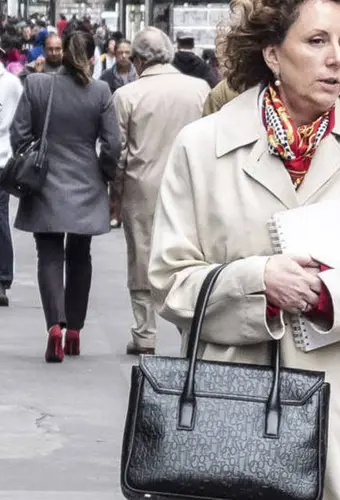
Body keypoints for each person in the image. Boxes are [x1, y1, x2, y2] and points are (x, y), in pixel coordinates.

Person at [148, 0, 340, 497]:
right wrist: (257, 281)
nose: (337, 58)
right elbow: (168, 280)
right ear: (272, 54)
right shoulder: (201, 147)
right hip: (232, 408)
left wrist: (325, 293)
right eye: (317, 40)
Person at [10, 30, 120, 363]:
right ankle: (74, 329)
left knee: (49, 254)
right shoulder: (100, 91)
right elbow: (113, 144)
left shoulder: (37, 85)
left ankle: (54, 328)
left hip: (46, 180)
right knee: (80, 255)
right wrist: (104, 172)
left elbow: (19, 135)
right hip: (86, 179)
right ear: (90, 57)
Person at [113, 27, 209, 356]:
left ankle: (145, 333)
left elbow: (120, 153)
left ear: (138, 60)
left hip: (141, 187)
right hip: (189, 185)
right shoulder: (199, 89)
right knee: (190, 256)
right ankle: (189, 328)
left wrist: (115, 195)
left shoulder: (127, 96)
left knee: (140, 259)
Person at [0, 58, 23, 306]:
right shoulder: (14, 83)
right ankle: (2, 278)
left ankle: (3, 277)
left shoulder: (12, 84)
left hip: (2, 158)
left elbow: (20, 121)